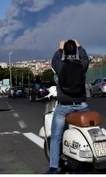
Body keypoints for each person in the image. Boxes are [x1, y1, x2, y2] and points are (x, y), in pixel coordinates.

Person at [46, 39, 90, 174]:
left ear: (65, 51)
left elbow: (54, 60)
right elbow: (85, 58)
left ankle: (54, 167)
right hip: (82, 105)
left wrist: (60, 49)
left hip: (64, 106)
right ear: (76, 51)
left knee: (56, 136)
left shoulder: (61, 66)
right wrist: (80, 47)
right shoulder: (82, 65)